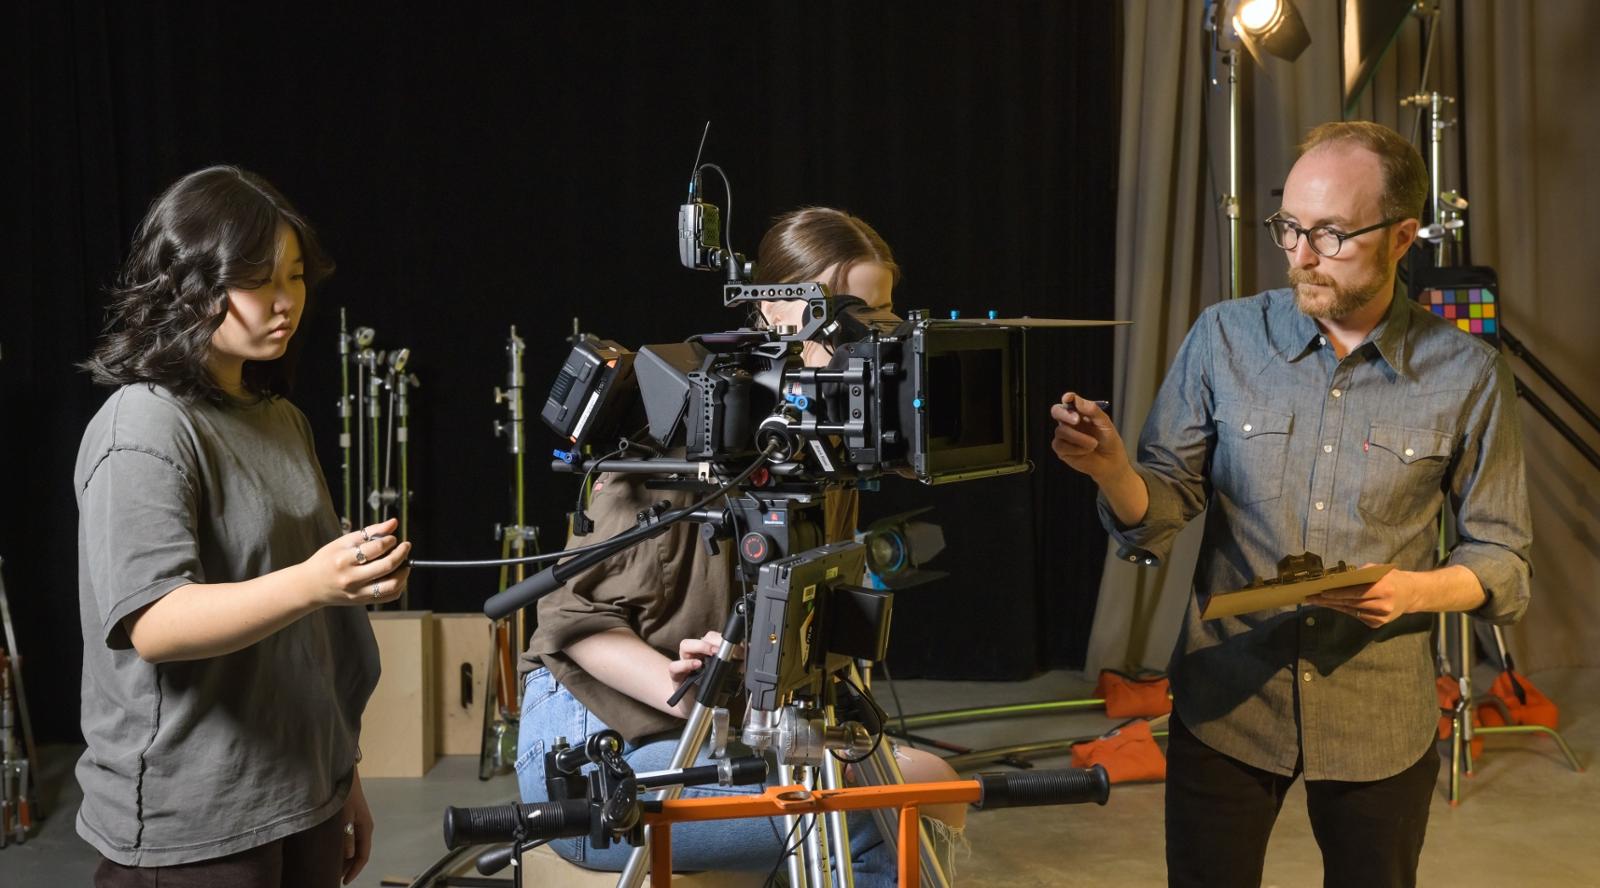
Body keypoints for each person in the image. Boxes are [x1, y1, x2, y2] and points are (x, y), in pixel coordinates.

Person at [1051, 121, 1531, 888]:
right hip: (1229, 701)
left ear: (1404, 235)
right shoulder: (1224, 337)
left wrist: (1417, 591)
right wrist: (1112, 468)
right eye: (1291, 228)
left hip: (1379, 717)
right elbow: (1167, 499)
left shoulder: (1468, 374)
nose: (1302, 255)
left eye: (1333, 235)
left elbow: (1501, 555)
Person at [517, 207, 964, 881]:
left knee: (930, 787)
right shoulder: (673, 435)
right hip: (596, 746)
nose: (874, 339)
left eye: (884, 315)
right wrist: (677, 685)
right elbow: (572, 625)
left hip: (724, 724)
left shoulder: (830, 443)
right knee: (880, 811)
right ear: (774, 312)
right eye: (848, 314)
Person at [75, 166, 412, 887]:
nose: (285, 302)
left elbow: (306, 638)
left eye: (294, 277)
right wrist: (316, 579)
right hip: (194, 821)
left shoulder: (279, 418)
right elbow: (155, 621)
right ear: (189, 285)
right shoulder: (143, 426)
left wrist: (341, 775)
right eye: (259, 282)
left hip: (302, 792)